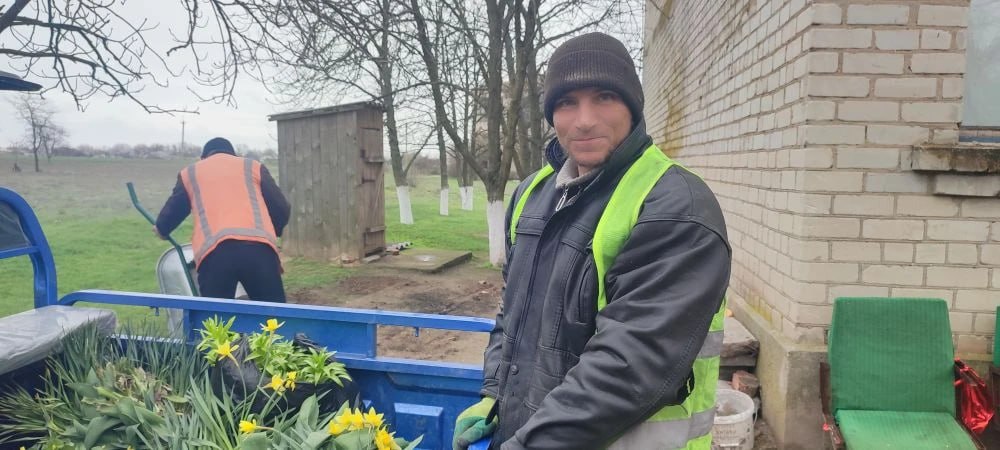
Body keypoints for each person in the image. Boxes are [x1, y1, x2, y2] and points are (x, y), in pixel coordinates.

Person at [452, 33, 732, 449]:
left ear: (632, 107)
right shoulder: (533, 193)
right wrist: (494, 394)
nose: (583, 119)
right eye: (566, 102)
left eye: (603, 97)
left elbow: (627, 368)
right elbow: (513, 312)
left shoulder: (674, 205)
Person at [155, 137, 291, 302]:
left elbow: (176, 207)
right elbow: (281, 208)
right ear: (233, 155)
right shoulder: (252, 167)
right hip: (260, 251)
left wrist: (162, 229)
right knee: (274, 316)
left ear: (203, 158)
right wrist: (271, 232)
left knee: (216, 321)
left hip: (215, 254)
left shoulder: (190, 173)